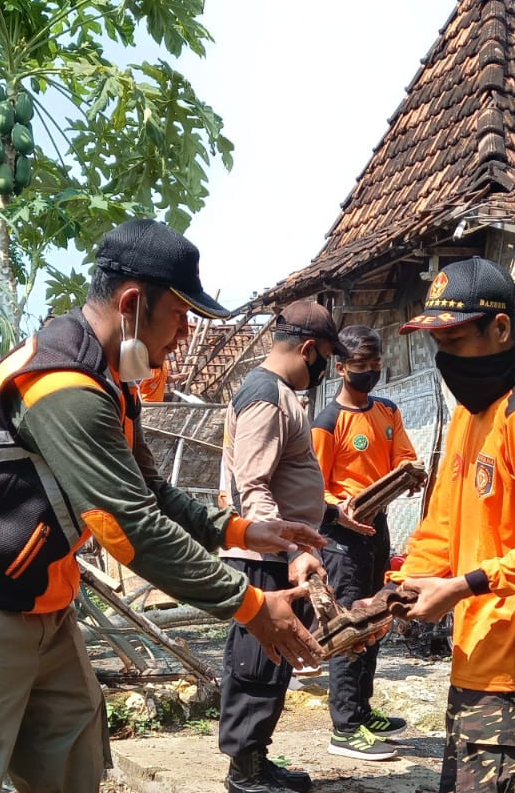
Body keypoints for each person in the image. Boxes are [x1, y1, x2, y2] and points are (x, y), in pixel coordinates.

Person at [0, 219, 326, 793]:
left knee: (73, 764)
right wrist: (248, 604)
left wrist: (243, 531)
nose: (185, 334)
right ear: (131, 303)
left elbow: (152, 492)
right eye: (178, 314)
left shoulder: (110, 382)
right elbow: (127, 526)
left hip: (43, 601)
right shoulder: (62, 385)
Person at [386, 256, 515, 793]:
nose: (443, 358)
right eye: (438, 345)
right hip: (477, 646)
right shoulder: (471, 411)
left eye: (455, 341)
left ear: (500, 328)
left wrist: (463, 585)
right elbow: (444, 517)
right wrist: (397, 593)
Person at [218, 299, 344, 790]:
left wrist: (331, 513)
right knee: (257, 662)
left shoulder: (276, 393)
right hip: (263, 557)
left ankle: (255, 759)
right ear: (308, 348)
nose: (324, 370)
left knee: (272, 663)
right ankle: (244, 772)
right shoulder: (266, 394)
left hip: (276, 553)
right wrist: (294, 551)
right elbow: (253, 486)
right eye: (325, 358)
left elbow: (286, 479)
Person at [310, 324, 418, 760]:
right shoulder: (327, 422)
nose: (370, 372)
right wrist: (340, 508)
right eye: (361, 366)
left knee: (376, 619)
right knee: (348, 625)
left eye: (375, 365)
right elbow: (313, 487)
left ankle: (364, 709)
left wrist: (409, 475)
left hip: (379, 528)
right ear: (340, 368)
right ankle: (345, 726)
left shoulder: (388, 411)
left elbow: (404, 458)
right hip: (341, 536)